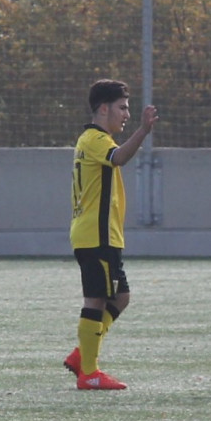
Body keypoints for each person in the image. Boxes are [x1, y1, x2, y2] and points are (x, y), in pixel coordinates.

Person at [63, 79, 158, 391]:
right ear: (103, 108)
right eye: (122, 107)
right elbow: (119, 158)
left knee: (120, 296)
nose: (126, 114)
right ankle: (89, 373)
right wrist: (143, 131)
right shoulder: (95, 139)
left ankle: (82, 354)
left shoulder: (92, 139)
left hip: (102, 235)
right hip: (96, 235)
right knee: (96, 299)